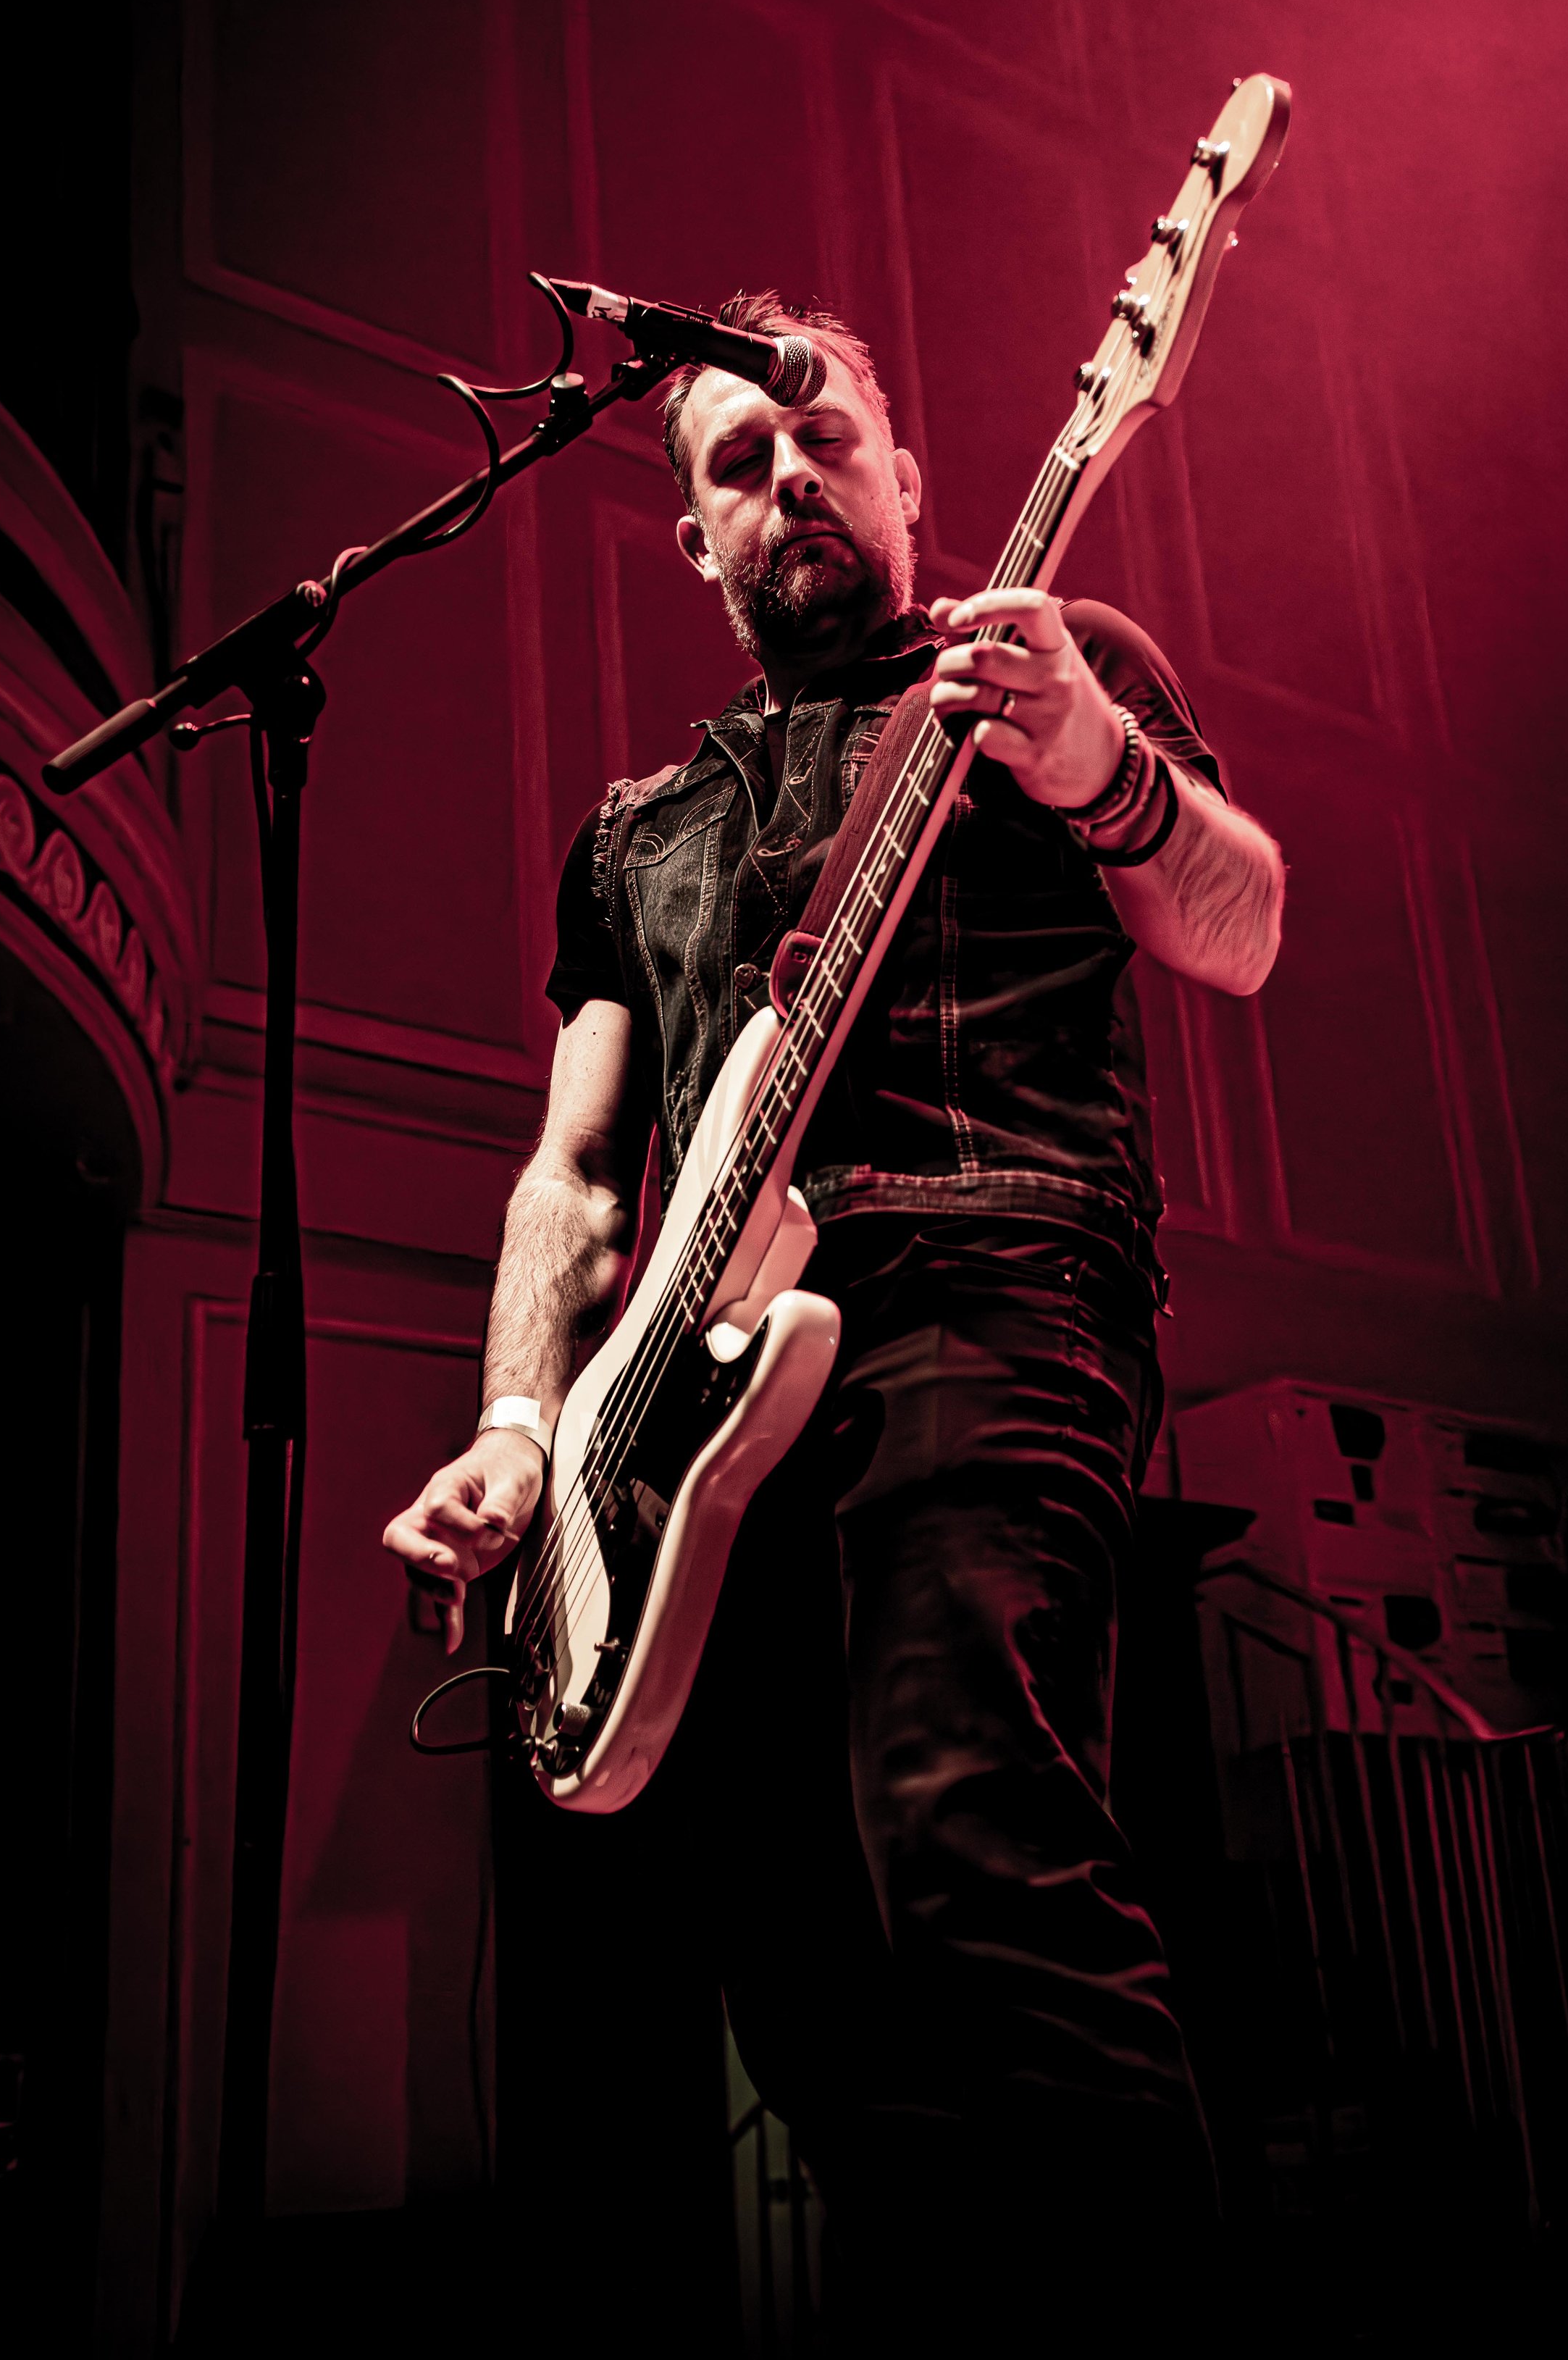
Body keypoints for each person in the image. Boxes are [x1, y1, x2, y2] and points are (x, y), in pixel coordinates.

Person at [384, 292, 1283, 2348]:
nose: (790, 475)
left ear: (905, 478)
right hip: (705, 1402)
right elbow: (574, 1173)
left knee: (969, 1838)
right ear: (692, 536)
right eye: (739, 460)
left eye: (825, 440)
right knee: (796, 1967)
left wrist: (1098, 766)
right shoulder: (635, 833)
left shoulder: (1047, 663)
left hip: (990, 1278)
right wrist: (521, 1425)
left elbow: (1241, 929)